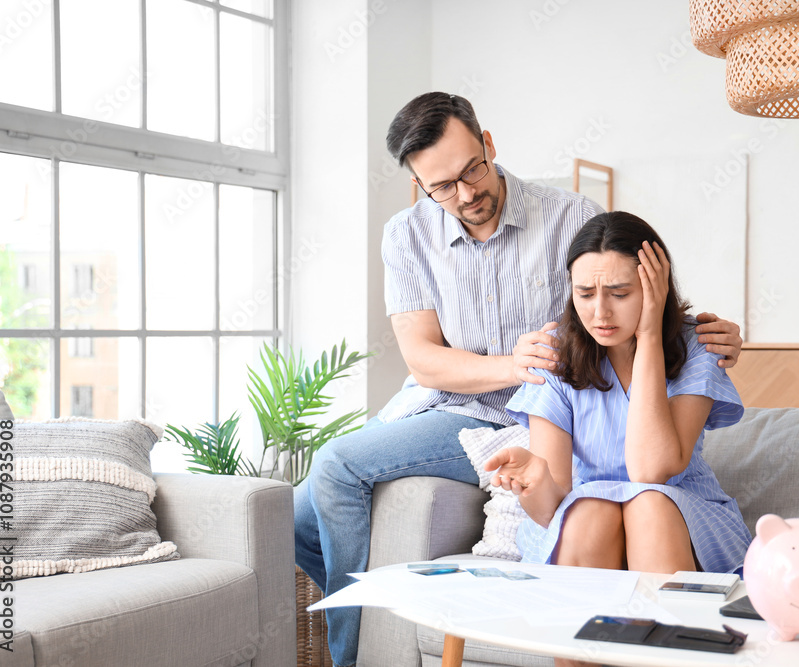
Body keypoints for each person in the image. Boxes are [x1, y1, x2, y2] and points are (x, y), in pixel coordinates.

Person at [293, 93, 745, 667]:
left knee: (640, 504)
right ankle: (357, 646)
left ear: (488, 144)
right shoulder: (407, 235)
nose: (464, 194)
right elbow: (425, 361)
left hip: (537, 406)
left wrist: (679, 326)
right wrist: (517, 367)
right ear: (418, 185)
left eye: (472, 171)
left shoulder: (568, 215)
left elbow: (616, 269)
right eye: (441, 187)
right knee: (300, 512)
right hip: (466, 401)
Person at [486, 211, 751, 588]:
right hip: (585, 520)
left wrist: (648, 335)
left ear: (655, 288)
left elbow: (650, 471)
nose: (600, 313)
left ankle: (667, 642)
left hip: (679, 509)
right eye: (586, 294)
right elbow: (550, 508)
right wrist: (535, 480)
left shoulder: (698, 346)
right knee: (590, 508)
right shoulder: (553, 353)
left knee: (649, 504)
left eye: (620, 294)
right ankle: (584, 648)